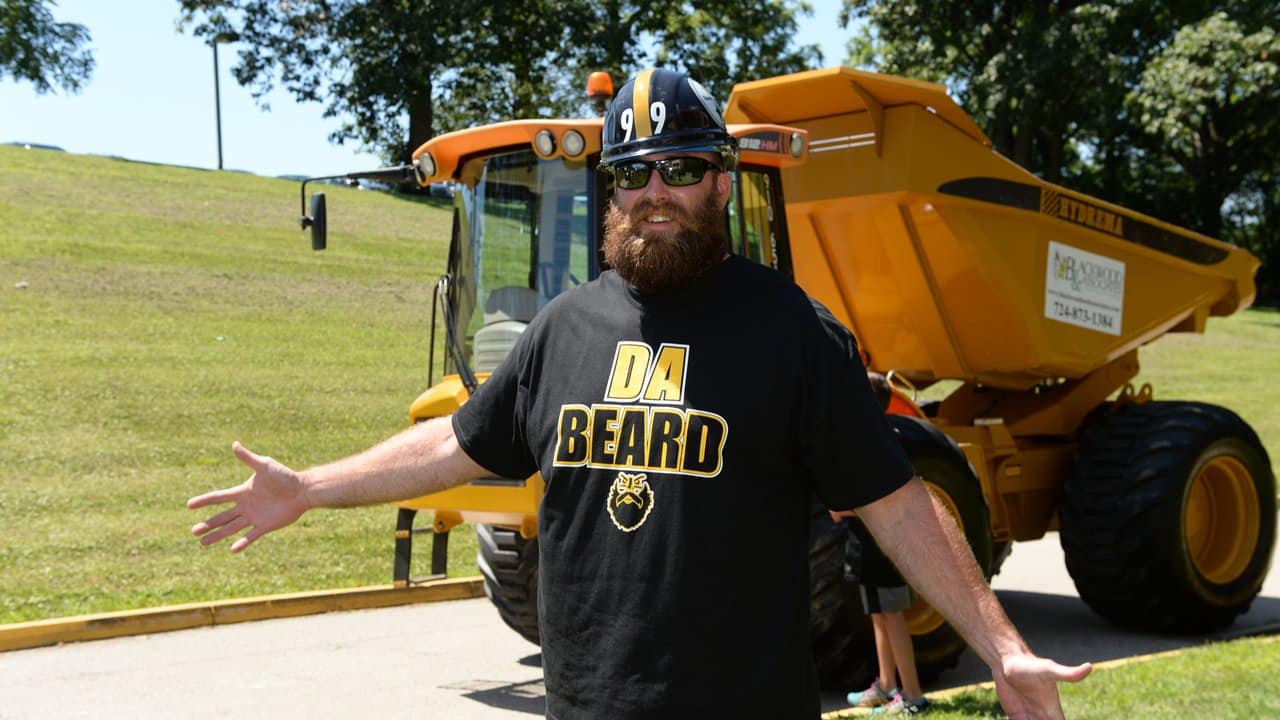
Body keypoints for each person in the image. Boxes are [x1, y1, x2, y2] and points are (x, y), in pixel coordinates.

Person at [188, 68, 1090, 719]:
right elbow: (456, 445)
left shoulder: (791, 332)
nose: (655, 193)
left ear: (721, 183)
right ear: (611, 193)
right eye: (633, 173)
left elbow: (896, 505)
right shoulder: (563, 329)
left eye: (681, 168)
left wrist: (1001, 645)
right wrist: (309, 488)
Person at [842, 373, 930, 715]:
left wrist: (841, 506)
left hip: (884, 546)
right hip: (865, 544)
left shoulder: (883, 439)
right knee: (879, 615)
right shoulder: (868, 435)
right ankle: (886, 685)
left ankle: (912, 697)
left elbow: (886, 496)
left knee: (893, 617)